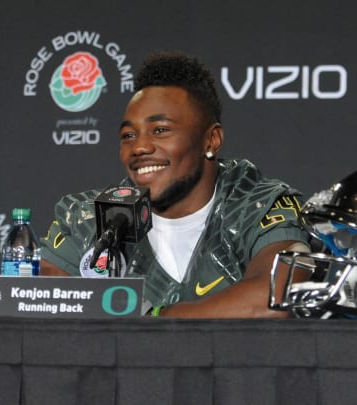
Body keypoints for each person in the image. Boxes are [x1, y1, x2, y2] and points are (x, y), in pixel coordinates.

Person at [40, 51, 311, 318]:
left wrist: (155, 319)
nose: (140, 147)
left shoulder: (258, 204)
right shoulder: (87, 218)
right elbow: (33, 306)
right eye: (128, 135)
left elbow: (276, 297)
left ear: (211, 140)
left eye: (160, 130)